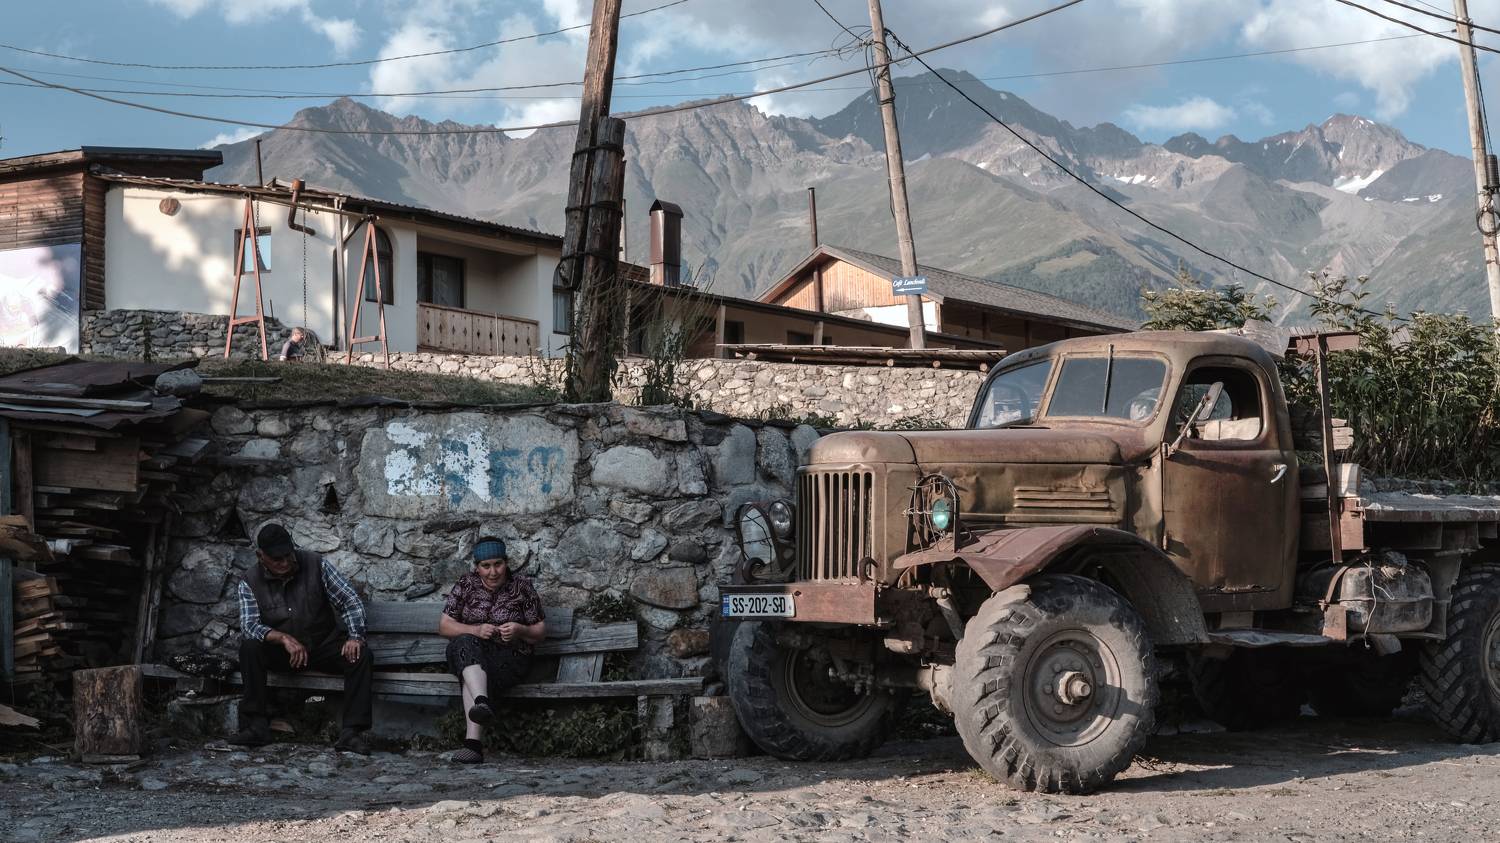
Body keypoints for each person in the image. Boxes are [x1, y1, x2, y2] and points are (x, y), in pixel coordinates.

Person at [231, 522, 373, 754]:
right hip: (283, 655)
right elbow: (249, 626)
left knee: (361, 654)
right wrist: (282, 638)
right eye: (277, 559)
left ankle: (351, 733)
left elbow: (350, 600)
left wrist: (355, 636)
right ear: (260, 556)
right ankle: (256, 727)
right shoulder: (250, 581)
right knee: (250, 647)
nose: (285, 562)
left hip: (322, 646)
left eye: (288, 555)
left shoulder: (316, 564)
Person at [438, 537, 546, 763]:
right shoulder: (466, 584)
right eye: (485, 566)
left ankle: (474, 742)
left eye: (498, 564)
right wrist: (475, 630)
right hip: (469, 653)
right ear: (477, 567)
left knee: (471, 672)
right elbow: (445, 626)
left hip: (509, 659)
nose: (493, 572)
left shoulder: (522, 586)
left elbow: (540, 631)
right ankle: (481, 702)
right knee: (466, 645)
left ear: (506, 563)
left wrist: (519, 630)